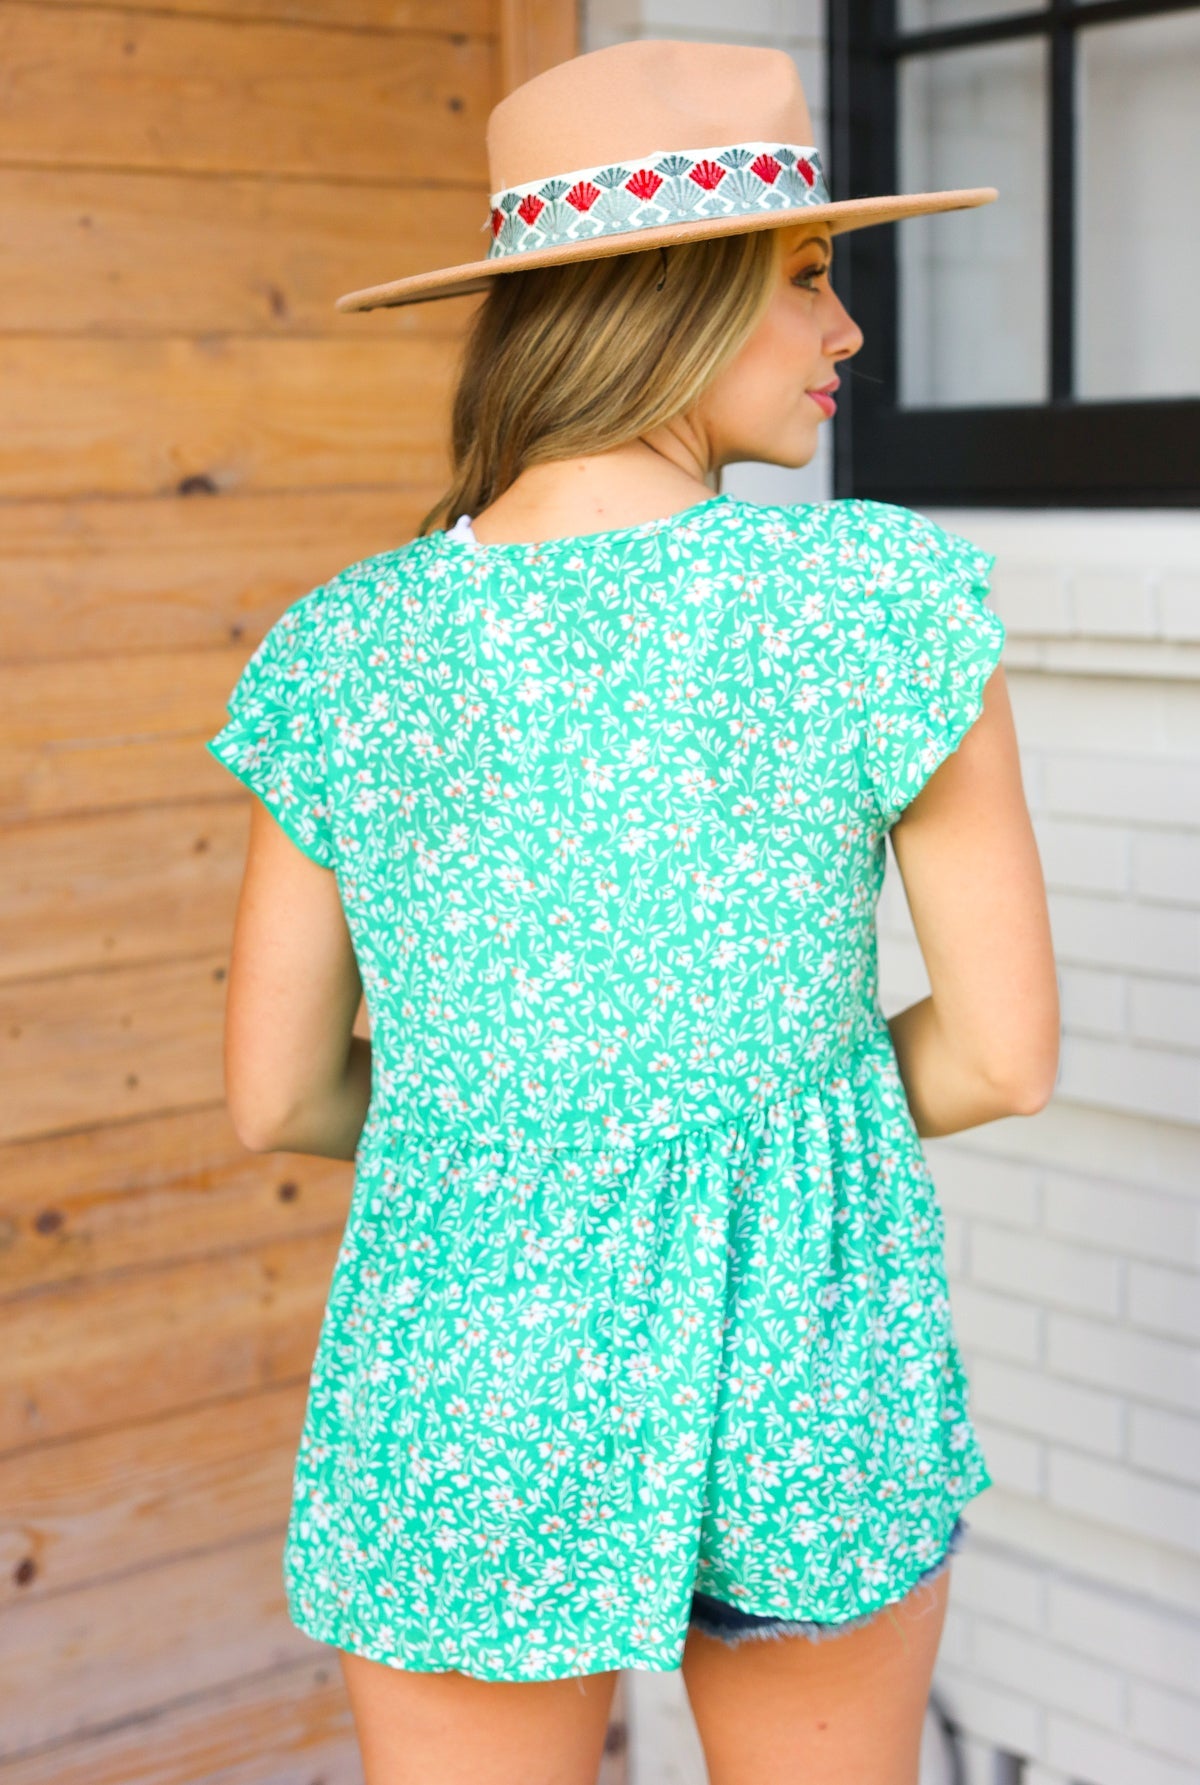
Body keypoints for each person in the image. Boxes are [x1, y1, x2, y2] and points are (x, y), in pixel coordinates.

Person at [206, 37, 1060, 1785]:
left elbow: (276, 1094)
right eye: (808, 276)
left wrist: (524, 1128)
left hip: (468, 1371)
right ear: (671, 296)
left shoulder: (345, 651)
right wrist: (745, 1119)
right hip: (804, 1353)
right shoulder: (875, 602)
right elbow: (1002, 1056)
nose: (848, 331)